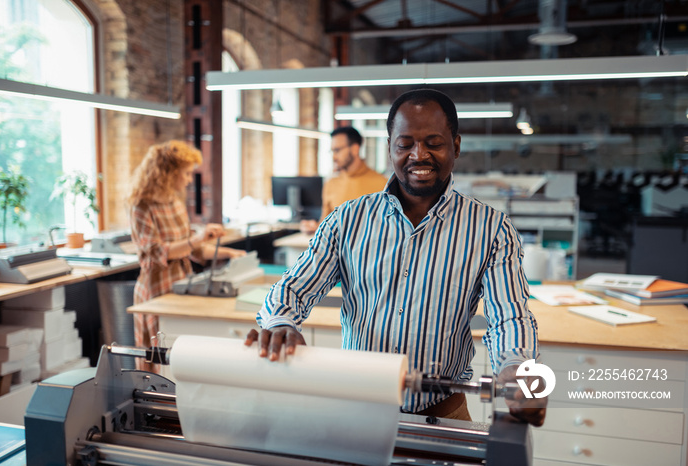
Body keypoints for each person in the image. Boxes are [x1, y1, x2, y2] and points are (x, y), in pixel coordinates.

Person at [246, 89, 546, 426]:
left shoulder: (491, 229)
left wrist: (517, 367)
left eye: (434, 142)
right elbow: (292, 287)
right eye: (405, 144)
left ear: (456, 146)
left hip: (442, 413)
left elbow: (508, 315)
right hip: (355, 411)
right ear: (390, 147)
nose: (419, 155)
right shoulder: (348, 220)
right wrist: (281, 322)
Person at [129, 140, 245, 370]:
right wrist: (197, 238)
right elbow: (154, 254)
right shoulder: (141, 206)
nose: (189, 179)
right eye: (187, 173)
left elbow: (195, 250)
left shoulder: (176, 203)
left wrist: (230, 253)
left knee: (179, 359)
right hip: (155, 292)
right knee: (155, 362)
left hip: (181, 287)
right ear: (169, 173)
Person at [299, 126, 387, 234]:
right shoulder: (331, 184)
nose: (334, 157)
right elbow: (326, 222)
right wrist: (314, 227)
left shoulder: (382, 184)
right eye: (332, 151)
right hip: (337, 249)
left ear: (355, 149)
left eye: (337, 150)